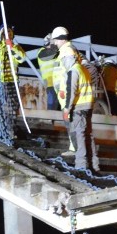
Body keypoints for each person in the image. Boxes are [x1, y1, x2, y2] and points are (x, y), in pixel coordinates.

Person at [51, 26, 99, 172]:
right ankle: (94, 165)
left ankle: (81, 166)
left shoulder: (73, 68)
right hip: (86, 103)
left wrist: (67, 108)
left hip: (77, 105)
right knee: (87, 134)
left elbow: (71, 88)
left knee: (79, 134)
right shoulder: (81, 67)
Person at [37, 34, 60, 111]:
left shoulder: (55, 53)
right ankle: (49, 120)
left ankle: (54, 120)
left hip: (58, 81)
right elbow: (51, 53)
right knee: (52, 101)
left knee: (57, 102)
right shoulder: (42, 52)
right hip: (49, 81)